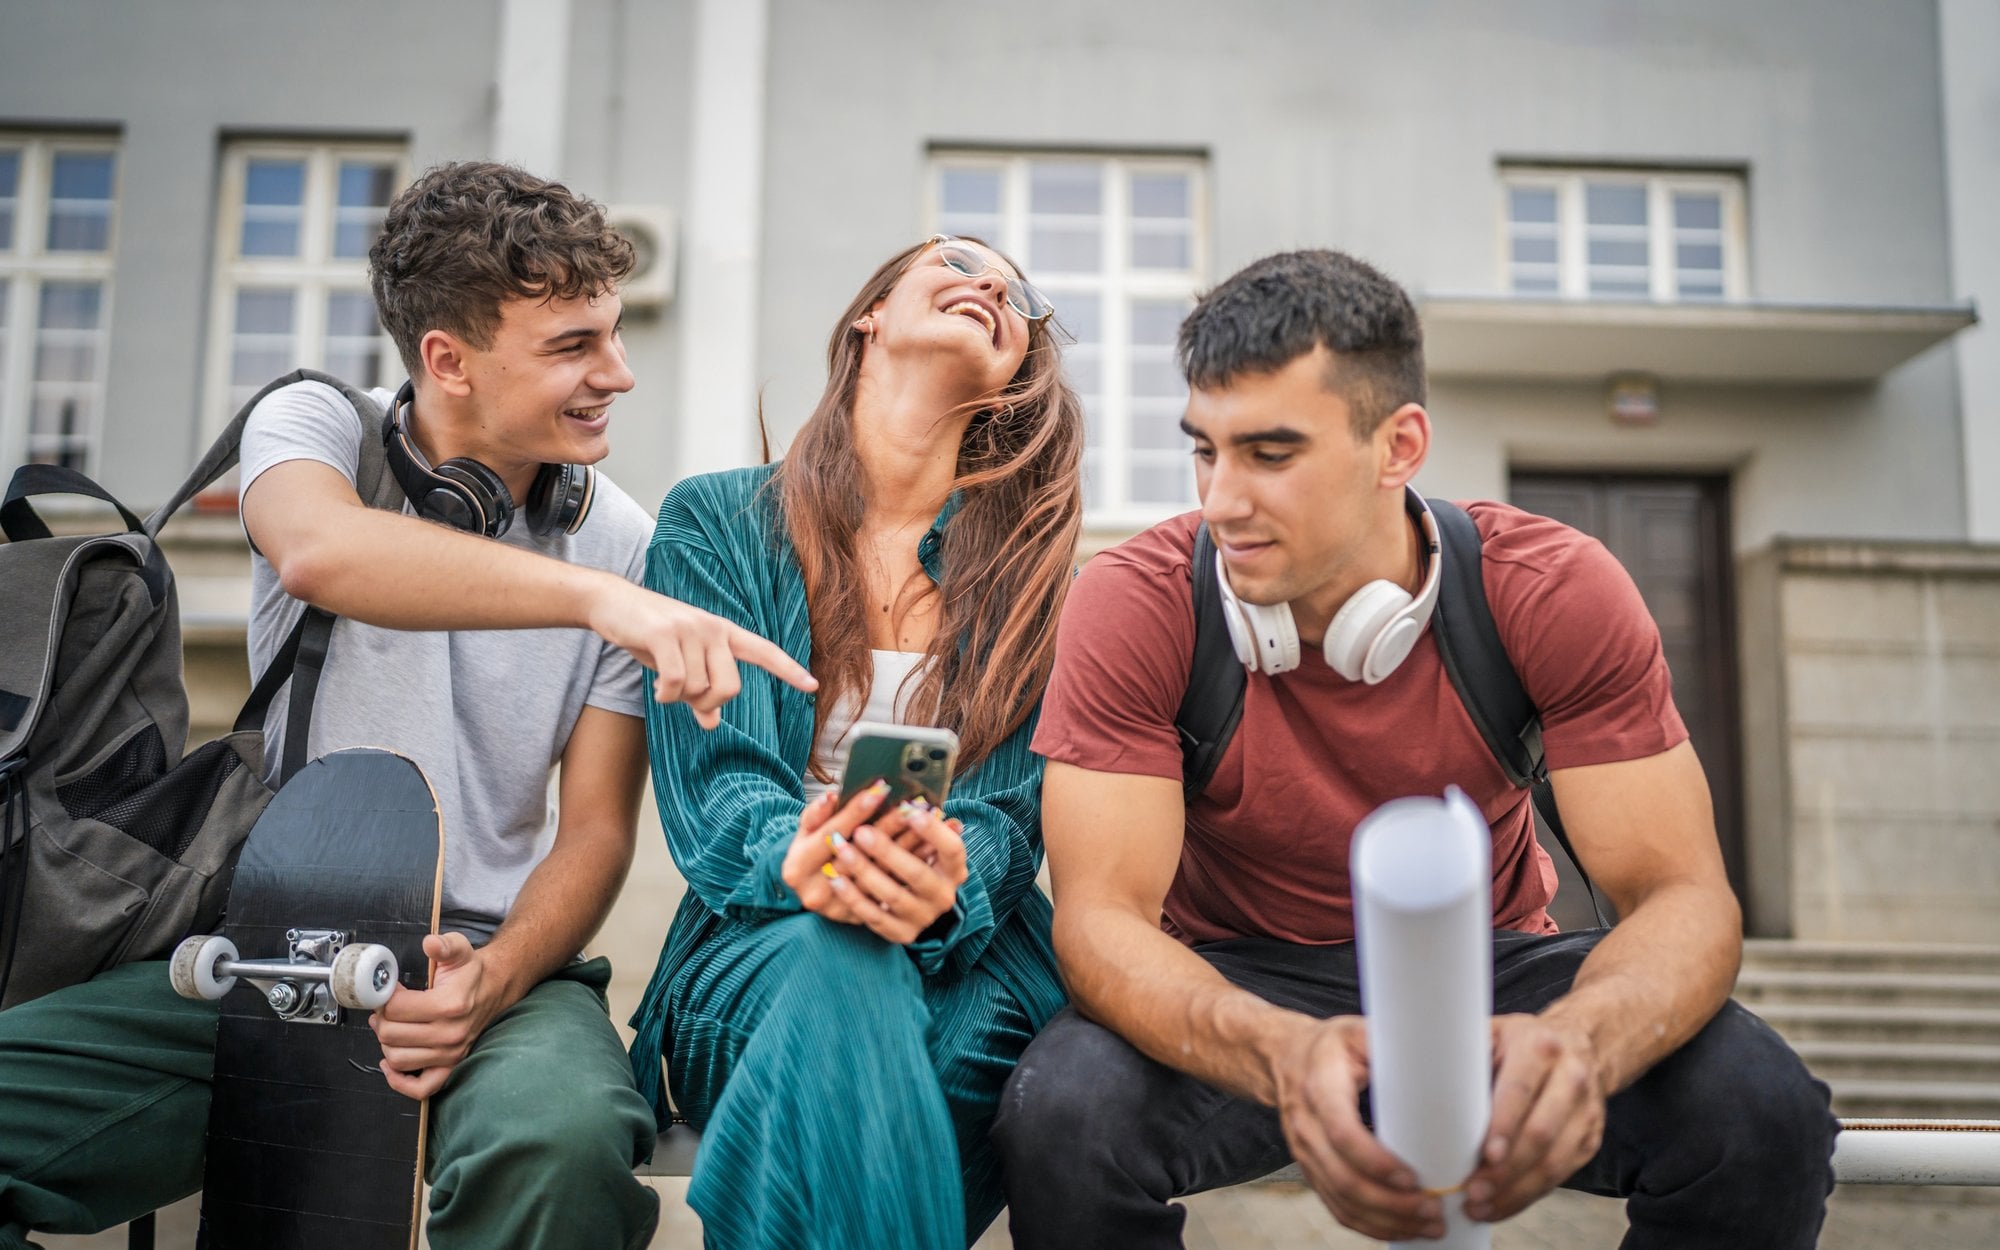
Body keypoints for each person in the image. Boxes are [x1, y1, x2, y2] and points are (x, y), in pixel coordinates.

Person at [0, 160, 815, 1250]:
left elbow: (597, 830)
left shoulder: (621, 536)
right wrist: (603, 603)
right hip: (259, 946)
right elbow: (317, 552)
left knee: (562, 1144)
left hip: (504, 963)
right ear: (447, 360)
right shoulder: (312, 422)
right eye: (573, 346)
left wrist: (495, 979)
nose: (617, 372)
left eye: (613, 334)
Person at [990, 249, 1838, 1249]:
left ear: (1397, 447)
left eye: (1268, 453)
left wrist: (1577, 1041)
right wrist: (1278, 1050)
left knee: (1760, 1113)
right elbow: (1099, 923)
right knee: (1062, 1117)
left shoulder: (1548, 587)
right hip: (1237, 975)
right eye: (1203, 451)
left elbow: (1682, 897)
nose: (1218, 499)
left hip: (1490, 970)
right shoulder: (1136, 600)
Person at [628, 234, 1082, 1249]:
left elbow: (1008, 815)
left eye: (1015, 293)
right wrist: (809, 858)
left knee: (942, 1038)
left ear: (1013, 376)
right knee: (847, 975)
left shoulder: (1029, 580)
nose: (990, 284)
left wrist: (943, 885)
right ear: (869, 313)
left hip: (969, 957)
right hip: (757, 941)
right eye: (961, 260)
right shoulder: (714, 521)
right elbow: (717, 790)